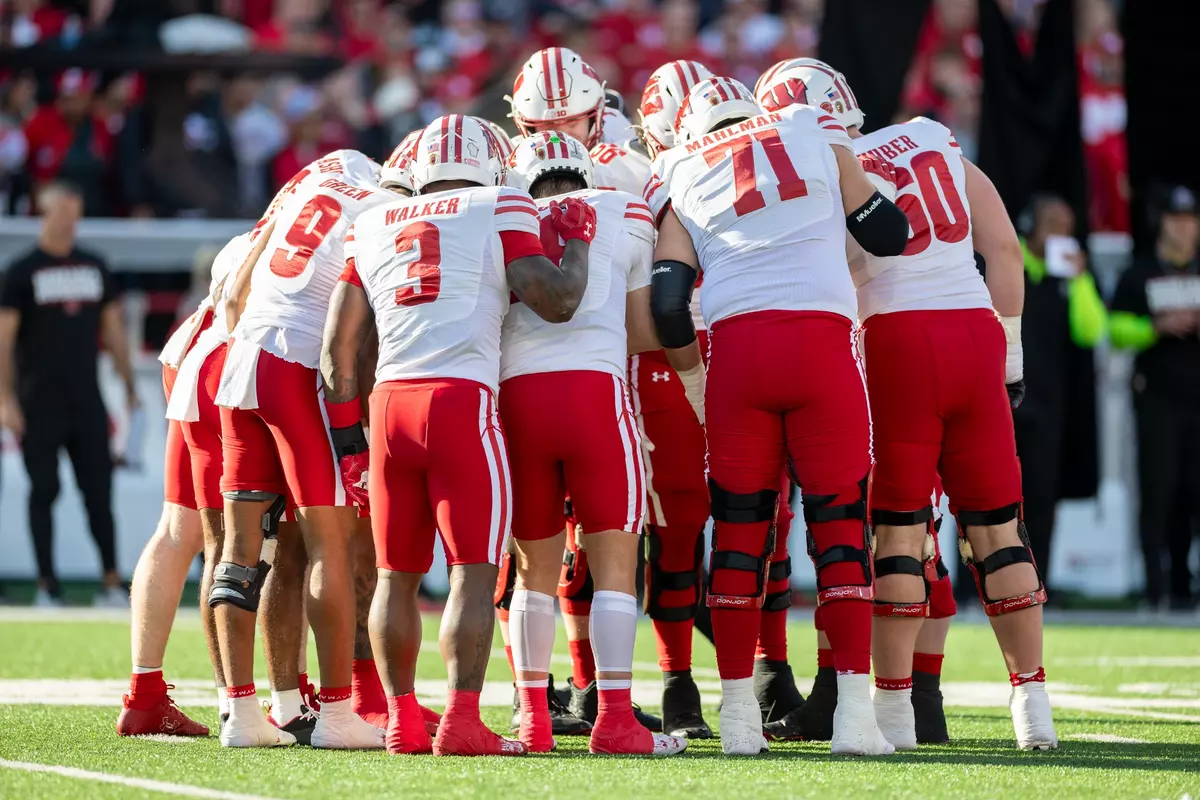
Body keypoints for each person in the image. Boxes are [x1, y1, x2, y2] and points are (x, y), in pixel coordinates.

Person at [758, 56, 1059, 751]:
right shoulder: (930, 136)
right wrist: (1010, 358)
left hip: (895, 344)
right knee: (999, 529)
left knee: (897, 535)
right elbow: (1005, 249)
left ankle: (895, 715)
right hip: (974, 333)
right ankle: (1032, 707)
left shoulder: (819, 175)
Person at [647, 76, 910, 755]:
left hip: (739, 354)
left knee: (739, 541)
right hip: (822, 347)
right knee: (842, 534)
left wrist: (697, 384)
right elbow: (889, 232)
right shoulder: (808, 129)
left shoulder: (678, 167)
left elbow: (670, 303)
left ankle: (738, 721)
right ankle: (854, 720)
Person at [322, 114, 593, 756]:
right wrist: (576, 243)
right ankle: (463, 720)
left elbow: (337, 357)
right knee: (473, 573)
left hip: (388, 408)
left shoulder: (371, 221)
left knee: (395, 576)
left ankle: (402, 719)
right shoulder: (500, 202)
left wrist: (351, 448)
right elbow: (556, 299)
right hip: (460, 401)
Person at [500, 132, 687, 756]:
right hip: (596, 399)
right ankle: (613, 721)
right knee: (613, 567)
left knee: (532, 574)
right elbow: (642, 330)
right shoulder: (627, 212)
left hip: (517, 399)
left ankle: (532, 721)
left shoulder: (498, 216)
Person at [210, 150, 392, 749]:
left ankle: (240, 712)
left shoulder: (310, 181)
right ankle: (338, 712)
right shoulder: (380, 204)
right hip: (299, 367)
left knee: (243, 546)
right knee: (328, 540)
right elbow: (354, 334)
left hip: (243, 360)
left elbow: (234, 297)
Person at [0, 180, 137, 608]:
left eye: (75, 213)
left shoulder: (95, 266)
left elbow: (114, 329)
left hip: (86, 401)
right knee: (44, 491)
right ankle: (46, 584)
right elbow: (4, 340)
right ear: (44, 212)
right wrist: (6, 399)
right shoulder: (20, 272)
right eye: (62, 212)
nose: (69, 222)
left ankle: (111, 581)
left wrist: (129, 383)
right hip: (38, 403)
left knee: (99, 492)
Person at [1007, 195, 1107, 600]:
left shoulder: (1071, 278)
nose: (1062, 237)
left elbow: (1091, 331)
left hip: (1049, 407)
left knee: (1042, 503)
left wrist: (1079, 279)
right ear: (1031, 226)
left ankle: (1036, 583)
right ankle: (975, 585)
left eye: (1068, 228)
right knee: (992, 499)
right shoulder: (1007, 263)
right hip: (1004, 404)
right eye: (1053, 226)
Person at [1111, 185, 1200, 611]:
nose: (1184, 228)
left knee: (1192, 491)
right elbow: (1115, 330)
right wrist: (1156, 327)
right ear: (1161, 223)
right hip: (1157, 399)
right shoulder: (1140, 272)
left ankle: (1185, 585)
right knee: (1158, 490)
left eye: (1190, 219)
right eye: (1176, 219)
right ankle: (1154, 588)